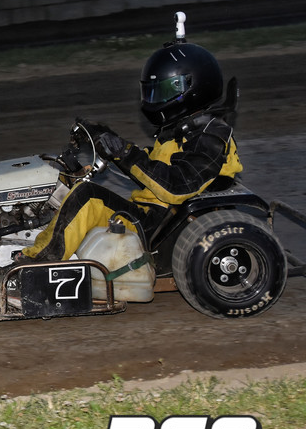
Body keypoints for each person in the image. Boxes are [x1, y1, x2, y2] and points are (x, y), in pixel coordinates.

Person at [15, 36, 242, 272]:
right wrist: (109, 141)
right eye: (152, 91)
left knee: (88, 197)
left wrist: (124, 152)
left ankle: (35, 266)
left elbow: (177, 187)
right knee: (64, 185)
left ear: (191, 88)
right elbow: (153, 167)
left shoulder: (211, 136)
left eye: (163, 90)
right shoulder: (185, 130)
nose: (155, 99)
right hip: (153, 215)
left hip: (158, 225)